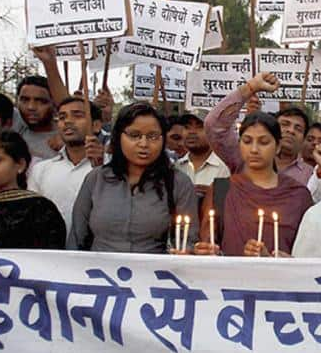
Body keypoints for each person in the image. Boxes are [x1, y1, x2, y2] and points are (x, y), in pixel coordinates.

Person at [68, 102, 199, 253]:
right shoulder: (96, 179)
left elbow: (188, 240)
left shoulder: (178, 183)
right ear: (118, 137)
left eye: (153, 136)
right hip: (98, 272)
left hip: (154, 273)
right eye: (134, 135)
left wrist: (185, 251)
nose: (144, 144)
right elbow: (77, 238)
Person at [194, 107, 313, 257]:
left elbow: (309, 256)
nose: (254, 149)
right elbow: (208, 241)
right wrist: (206, 251)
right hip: (229, 278)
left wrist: (277, 260)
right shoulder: (222, 189)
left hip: (281, 279)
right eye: (247, 141)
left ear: (277, 147)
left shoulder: (298, 195)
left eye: (263, 142)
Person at [0, 20, 70, 158]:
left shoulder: (69, 135)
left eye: (41, 101)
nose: (31, 107)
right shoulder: (14, 123)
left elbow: (70, 108)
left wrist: (50, 64)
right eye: (24, 100)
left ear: (54, 103)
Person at [204, 74, 313, 186]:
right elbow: (214, 126)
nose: (291, 130)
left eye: (298, 128)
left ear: (304, 139)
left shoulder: (311, 175)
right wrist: (251, 87)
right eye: (285, 124)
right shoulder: (244, 157)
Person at [27, 97, 105, 237]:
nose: (68, 121)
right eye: (62, 117)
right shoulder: (41, 170)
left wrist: (101, 166)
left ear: (96, 126)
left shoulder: (112, 167)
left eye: (77, 115)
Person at [175, 110, 230, 196]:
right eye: (187, 127)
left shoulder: (223, 168)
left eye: (200, 127)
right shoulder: (177, 166)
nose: (191, 132)